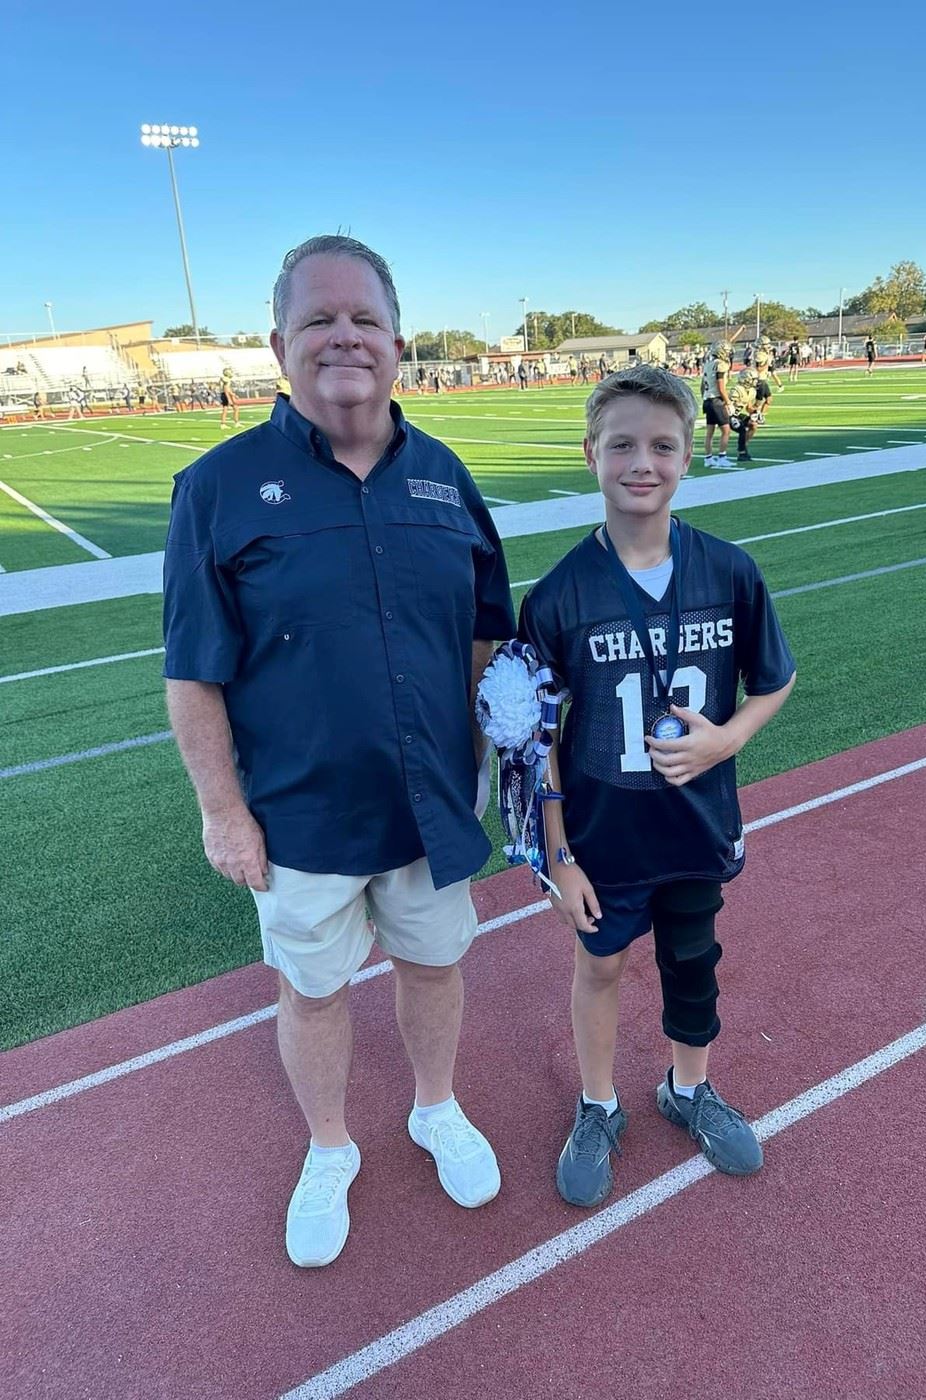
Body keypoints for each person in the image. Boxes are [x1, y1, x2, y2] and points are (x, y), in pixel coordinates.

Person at [162, 234, 515, 1269]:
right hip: (301, 814)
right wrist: (222, 810)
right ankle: (329, 1145)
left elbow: (487, 632)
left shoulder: (447, 477)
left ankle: (435, 1108)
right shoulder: (216, 487)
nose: (343, 336)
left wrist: (495, 751)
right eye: (318, 319)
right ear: (280, 344)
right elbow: (194, 672)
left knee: (435, 963)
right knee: (312, 987)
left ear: (399, 339)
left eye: (362, 317)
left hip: (431, 805)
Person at [517, 364, 796, 1208]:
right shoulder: (560, 594)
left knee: (692, 962)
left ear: (686, 457)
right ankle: (597, 1103)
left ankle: (688, 1087)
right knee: (599, 968)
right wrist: (556, 857)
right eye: (624, 444)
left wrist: (729, 739)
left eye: (664, 445)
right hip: (604, 837)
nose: (644, 461)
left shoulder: (728, 570)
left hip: (696, 824)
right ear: (590, 455)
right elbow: (535, 741)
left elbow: (773, 681)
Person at [700, 340, 734, 468]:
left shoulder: (708, 364)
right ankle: (722, 457)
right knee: (726, 430)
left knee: (710, 432)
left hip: (707, 400)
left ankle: (708, 458)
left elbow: (702, 386)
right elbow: (721, 386)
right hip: (716, 400)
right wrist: (728, 402)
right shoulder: (721, 365)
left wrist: (705, 397)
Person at [728, 368, 760, 462]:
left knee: (753, 425)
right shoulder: (736, 390)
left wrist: (756, 412)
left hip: (737, 415)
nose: (756, 381)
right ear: (747, 379)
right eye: (754, 379)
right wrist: (731, 418)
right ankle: (742, 452)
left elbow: (749, 407)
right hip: (729, 415)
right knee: (741, 429)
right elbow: (727, 405)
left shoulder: (752, 391)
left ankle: (743, 445)